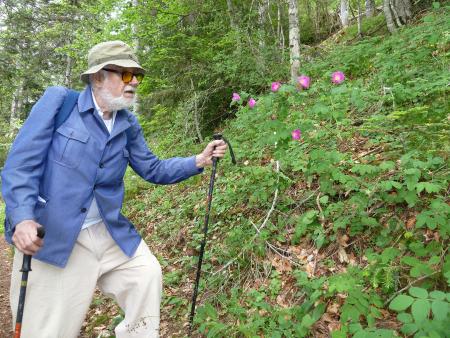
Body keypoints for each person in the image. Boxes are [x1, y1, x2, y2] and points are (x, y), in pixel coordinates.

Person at [1, 40, 227, 337]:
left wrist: (198, 160)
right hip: (56, 235)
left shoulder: (128, 125)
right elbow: (20, 166)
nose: (133, 81)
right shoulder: (59, 103)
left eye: (137, 76)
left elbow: (153, 168)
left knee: (146, 275)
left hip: (108, 232)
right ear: (97, 77)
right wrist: (23, 217)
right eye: (124, 73)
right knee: (47, 329)